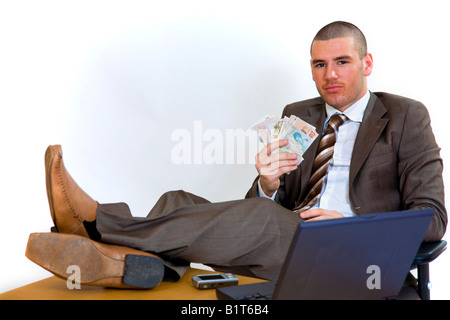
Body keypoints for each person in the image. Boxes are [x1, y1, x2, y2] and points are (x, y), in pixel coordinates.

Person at [26, 21, 446, 299]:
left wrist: (348, 223)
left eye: (342, 62)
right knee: (178, 200)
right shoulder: (300, 113)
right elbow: (257, 209)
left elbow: (432, 217)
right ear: (312, 69)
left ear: (366, 63)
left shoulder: (406, 116)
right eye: (320, 65)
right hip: (287, 248)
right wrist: (266, 185)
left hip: (352, 259)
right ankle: (138, 266)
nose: (330, 75)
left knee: (264, 222)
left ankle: (100, 224)